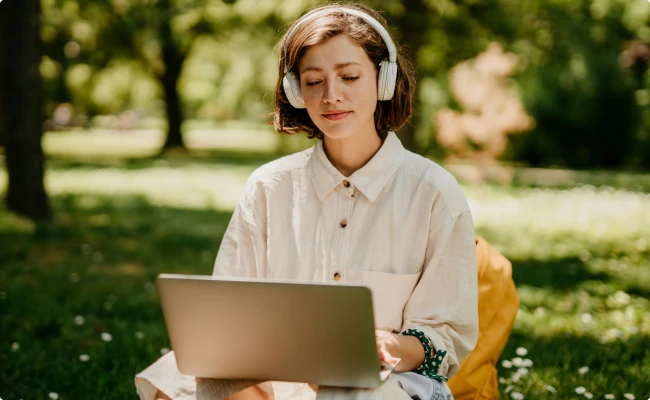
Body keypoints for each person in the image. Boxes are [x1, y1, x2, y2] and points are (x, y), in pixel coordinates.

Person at [135, 3, 478, 400]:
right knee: (177, 375)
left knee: (345, 390)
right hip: (278, 376)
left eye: (350, 76)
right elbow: (229, 317)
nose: (332, 96)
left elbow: (444, 334)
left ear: (384, 80)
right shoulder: (267, 187)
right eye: (313, 82)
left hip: (391, 385)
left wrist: (385, 347)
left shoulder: (434, 192)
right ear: (296, 91)